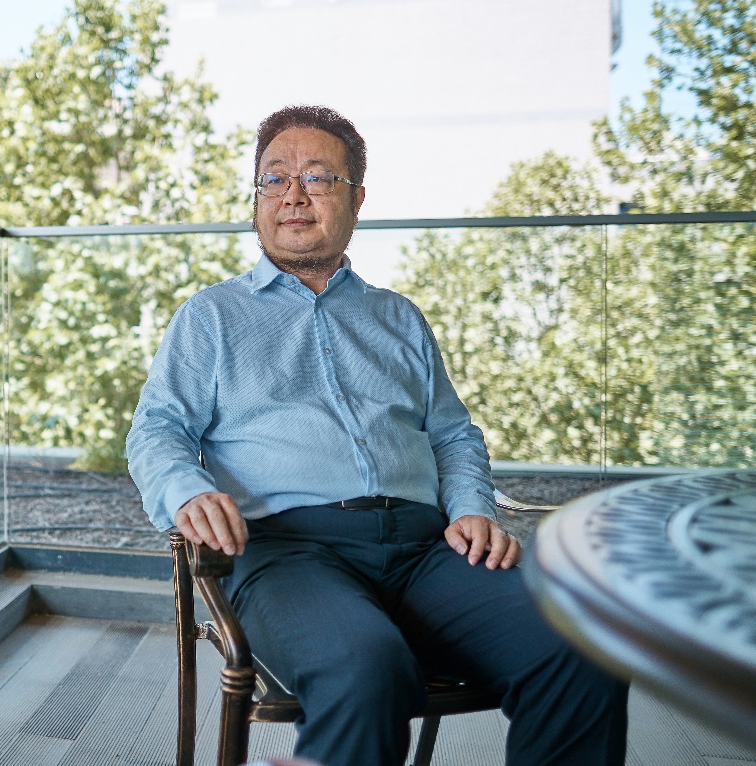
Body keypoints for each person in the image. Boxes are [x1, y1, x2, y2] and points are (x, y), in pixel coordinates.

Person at [126, 105, 628, 766]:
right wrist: (187, 491)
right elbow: (156, 430)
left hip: (427, 551)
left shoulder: (399, 318)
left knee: (585, 642)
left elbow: (453, 436)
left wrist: (472, 508)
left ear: (356, 198)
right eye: (273, 179)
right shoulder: (210, 317)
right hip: (287, 552)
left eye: (316, 178)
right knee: (366, 668)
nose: (292, 195)